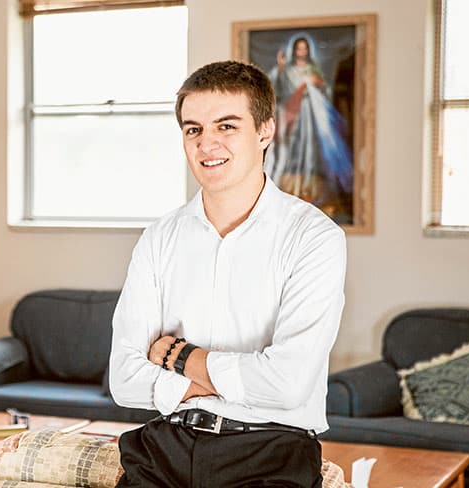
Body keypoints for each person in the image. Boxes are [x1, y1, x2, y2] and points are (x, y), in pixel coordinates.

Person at [108, 60, 346, 487]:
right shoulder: (159, 238)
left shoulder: (314, 237)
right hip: (165, 446)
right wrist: (236, 382)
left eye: (227, 126)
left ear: (265, 130)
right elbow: (124, 379)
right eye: (193, 129)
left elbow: (289, 385)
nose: (206, 144)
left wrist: (181, 359)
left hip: (271, 451)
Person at [267, 35, 354, 220]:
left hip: (311, 113)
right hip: (292, 114)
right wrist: (281, 68)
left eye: (304, 48)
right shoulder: (288, 70)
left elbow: (326, 90)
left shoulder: (313, 70)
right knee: (292, 150)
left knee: (311, 151)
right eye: (298, 48)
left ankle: (312, 191)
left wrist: (315, 85)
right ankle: (291, 190)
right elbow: (276, 88)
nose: (301, 52)